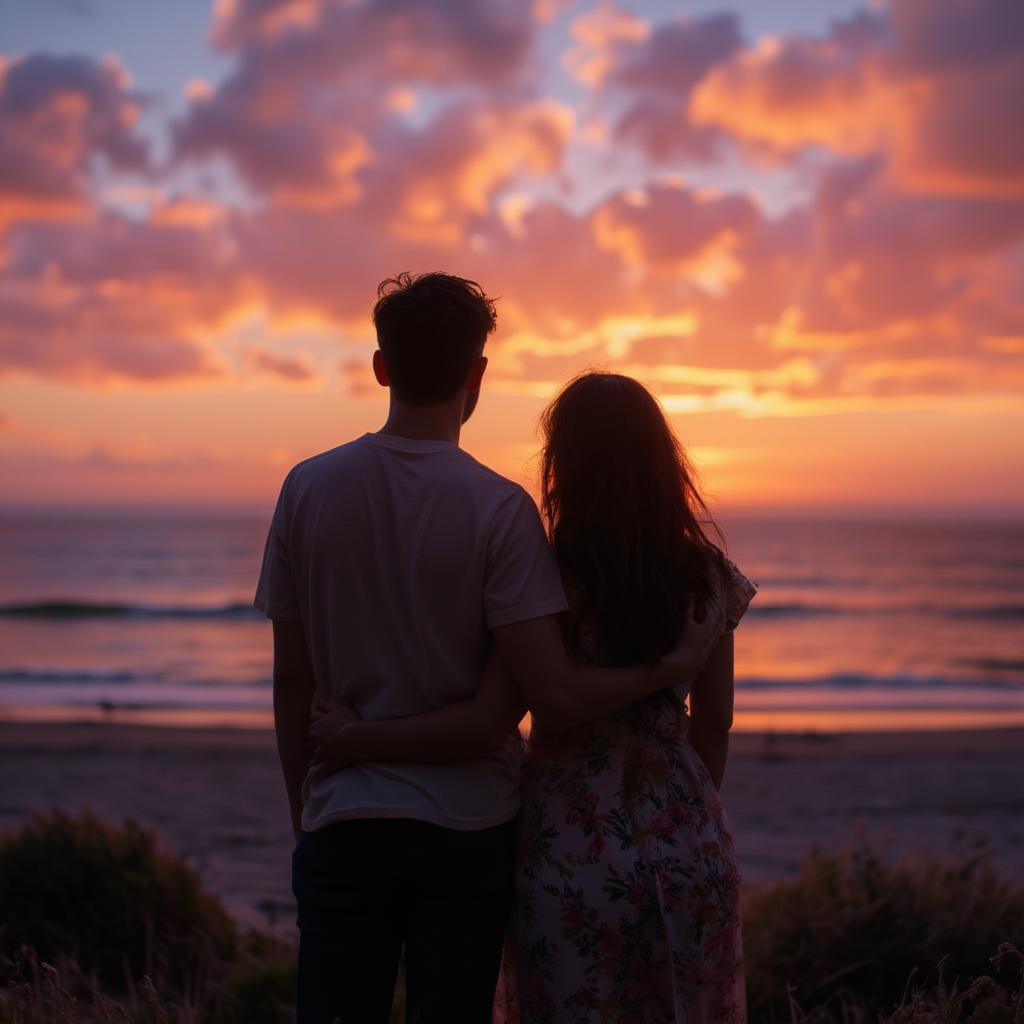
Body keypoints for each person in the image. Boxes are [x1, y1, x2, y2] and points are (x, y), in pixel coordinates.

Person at [254, 275, 727, 1024]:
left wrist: (304, 814)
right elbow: (514, 708)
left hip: (343, 821)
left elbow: (291, 685)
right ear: (477, 374)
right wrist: (670, 672)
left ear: (381, 367)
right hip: (467, 830)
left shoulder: (306, 489)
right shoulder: (501, 511)